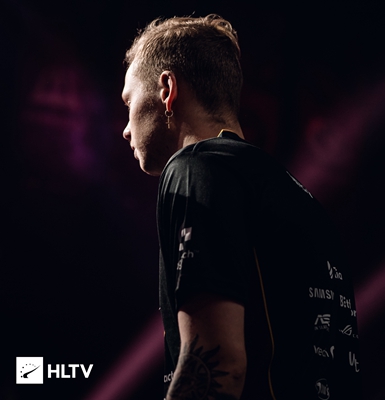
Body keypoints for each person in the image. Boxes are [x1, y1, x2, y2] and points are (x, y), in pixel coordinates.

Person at [122, 14, 362, 400]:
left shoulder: (194, 168)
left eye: (128, 102)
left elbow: (218, 363)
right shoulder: (302, 199)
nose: (125, 129)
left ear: (167, 89)